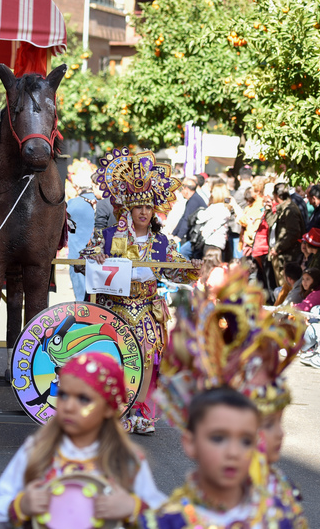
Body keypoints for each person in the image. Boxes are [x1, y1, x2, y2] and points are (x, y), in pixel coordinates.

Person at [144, 271, 308, 528]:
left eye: (247, 437)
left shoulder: (279, 506)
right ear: (191, 441)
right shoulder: (171, 520)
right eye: (219, 437)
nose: (279, 436)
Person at [78, 149, 201, 434]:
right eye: (138, 208)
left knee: (147, 360)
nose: (144, 212)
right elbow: (86, 259)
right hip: (114, 310)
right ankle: (116, 410)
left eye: (148, 208)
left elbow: (175, 270)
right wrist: (93, 257)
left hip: (147, 308)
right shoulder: (108, 237)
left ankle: (140, 411)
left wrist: (193, 267)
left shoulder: (162, 243)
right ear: (128, 210)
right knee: (117, 359)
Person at [0, 352, 166, 527]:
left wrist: (132, 507)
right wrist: (21, 505)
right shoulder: (37, 450)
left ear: (108, 408)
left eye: (83, 399)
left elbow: (162, 516)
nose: (69, 406)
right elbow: (0, 501)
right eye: (63, 395)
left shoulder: (127, 460)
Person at [66, 168, 97, 303]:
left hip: (76, 257)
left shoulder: (72, 204)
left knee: (81, 299)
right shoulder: (102, 202)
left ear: (77, 186)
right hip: (98, 256)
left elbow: (67, 228)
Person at [187, 180, 234, 260]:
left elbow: (200, 218)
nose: (211, 194)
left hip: (211, 241)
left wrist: (199, 212)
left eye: (213, 192)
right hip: (220, 242)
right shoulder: (226, 208)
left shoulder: (216, 207)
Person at [269, 183, 304, 287]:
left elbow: (293, 233)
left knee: (285, 287)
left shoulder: (290, 210)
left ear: (276, 195)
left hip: (287, 255)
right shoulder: (284, 208)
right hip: (281, 255)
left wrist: (278, 247)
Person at [172, 177, 205, 256]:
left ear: (186, 189)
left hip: (199, 237)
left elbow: (186, 220)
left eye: (181, 189)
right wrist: (174, 234)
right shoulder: (192, 199)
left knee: (183, 253)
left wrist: (179, 237)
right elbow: (183, 218)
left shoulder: (194, 200)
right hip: (194, 235)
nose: (181, 192)